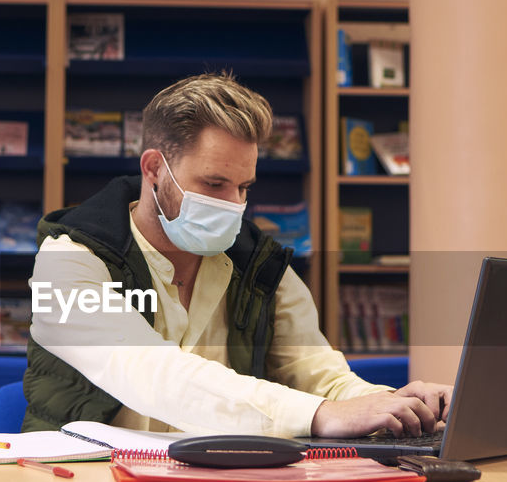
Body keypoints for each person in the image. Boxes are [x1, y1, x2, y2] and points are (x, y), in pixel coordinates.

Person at [23, 72, 451, 437]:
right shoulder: (67, 262)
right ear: (154, 169)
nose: (232, 204)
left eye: (244, 188)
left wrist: (396, 406)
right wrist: (318, 415)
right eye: (213, 184)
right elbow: (149, 372)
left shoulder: (261, 266)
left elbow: (322, 377)